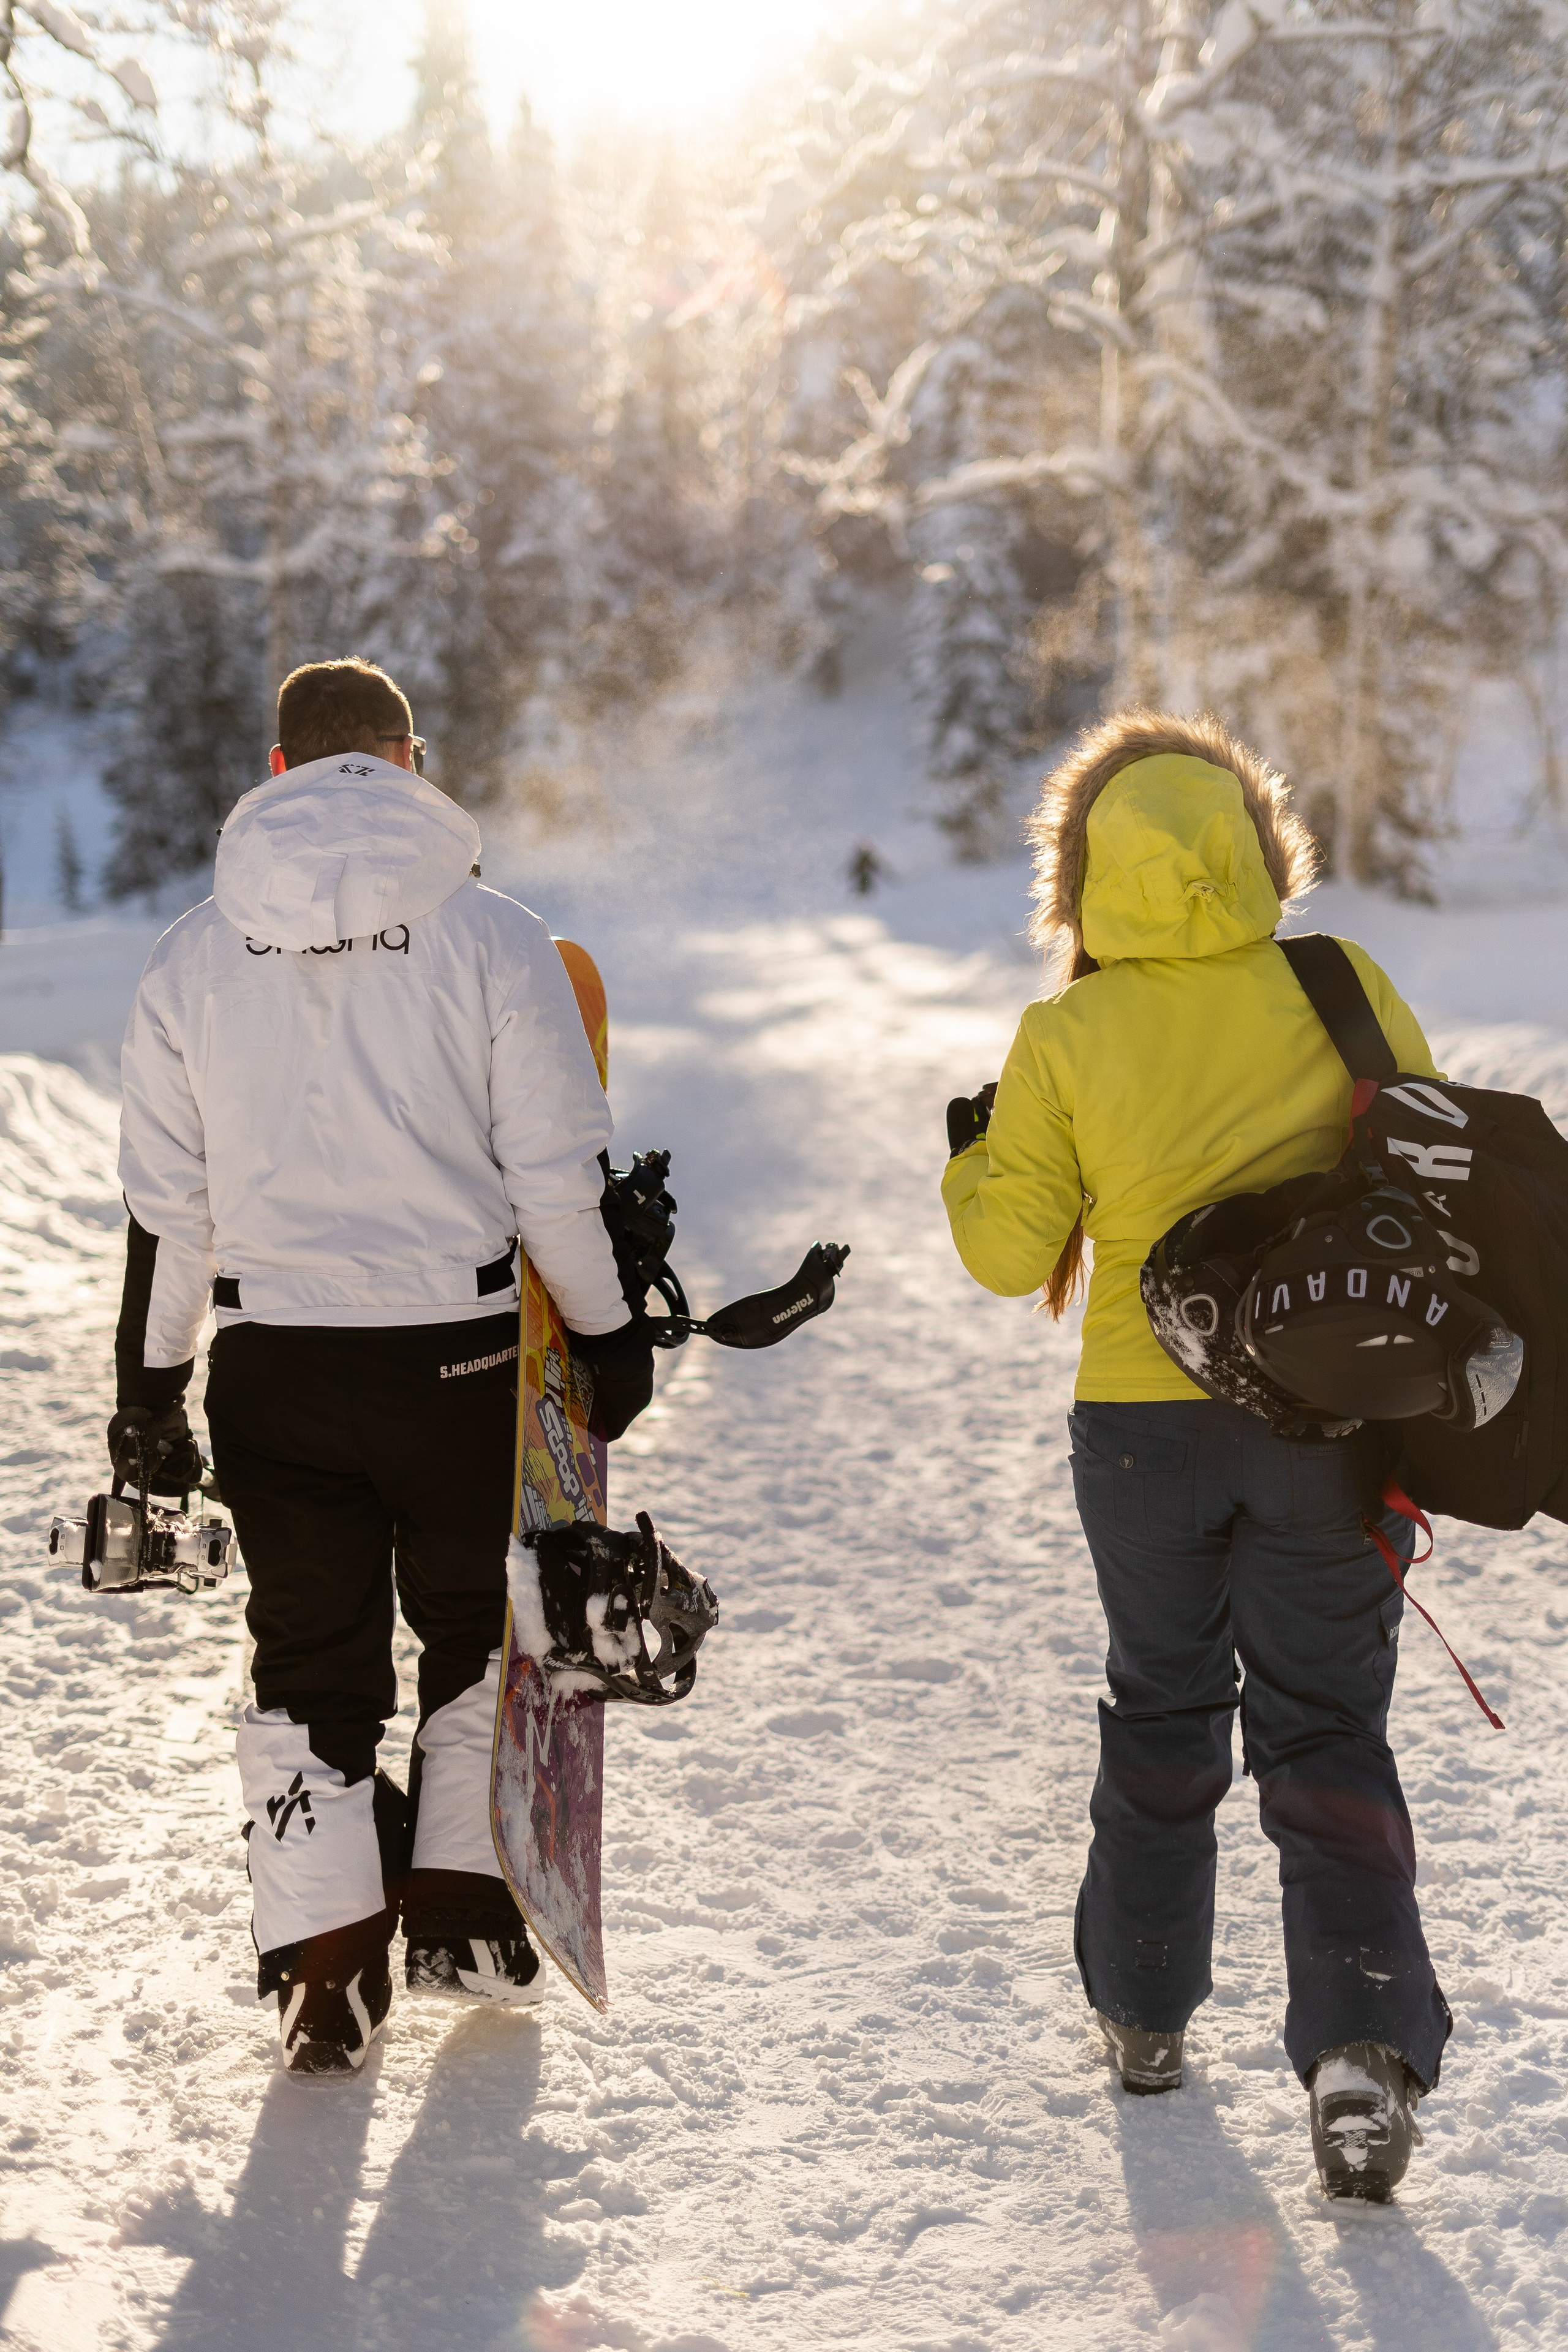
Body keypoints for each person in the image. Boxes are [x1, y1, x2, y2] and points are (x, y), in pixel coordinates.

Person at [111, 657, 655, 2075]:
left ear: (278, 769)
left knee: (305, 1656)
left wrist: (150, 1392)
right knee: (477, 1628)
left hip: (273, 1361)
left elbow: (169, 1214)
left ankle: (323, 1973)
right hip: (462, 1362)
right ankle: (468, 1917)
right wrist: (606, 1338)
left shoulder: (188, 953)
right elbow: (554, 1180)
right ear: (412, 761)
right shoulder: (496, 935)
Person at [941, 709, 1451, 2201]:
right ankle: (1358, 2049)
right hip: (1323, 1423)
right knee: (1323, 1730)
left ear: (1084, 870)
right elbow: (1424, 1161)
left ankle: (1144, 2012)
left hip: (1140, 1433)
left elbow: (1006, 1251)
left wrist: (974, 1154)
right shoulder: (1337, 982)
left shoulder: (1064, 1035)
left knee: (1162, 1705)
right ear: (1250, 840)